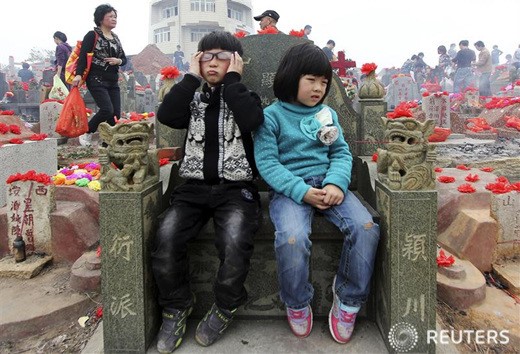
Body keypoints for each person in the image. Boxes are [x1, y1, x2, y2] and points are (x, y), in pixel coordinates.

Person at [254, 42, 380, 343]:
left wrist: (336, 183)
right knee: (292, 238)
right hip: (290, 191)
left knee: (366, 228)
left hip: (329, 186)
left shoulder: (327, 114)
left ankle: (348, 299)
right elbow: (267, 163)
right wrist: (301, 191)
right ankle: (297, 302)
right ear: (290, 77)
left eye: (323, 82)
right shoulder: (271, 117)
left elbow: (341, 153)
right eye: (310, 80)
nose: (318, 88)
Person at [151, 30, 264, 353]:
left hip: (236, 190)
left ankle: (226, 305)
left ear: (237, 63)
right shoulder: (193, 99)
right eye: (206, 56)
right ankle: (176, 306)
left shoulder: (246, 97)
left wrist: (232, 81)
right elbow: (167, 115)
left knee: (234, 240)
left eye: (222, 56)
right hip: (193, 190)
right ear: (197, 61)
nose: (213, 62)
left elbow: (251, 119)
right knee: (167, 236)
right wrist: (189, 77)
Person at [72, 4, 127, 147]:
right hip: (96, 79)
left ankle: (108, 144)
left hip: (113, 81)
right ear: (101, 19)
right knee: (106, 109)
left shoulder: (115, 38)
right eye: (110, 16)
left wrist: (118, 60)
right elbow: (84, 56)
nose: (114, 19)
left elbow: (124, 59)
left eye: (115, 17)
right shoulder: (92, 35)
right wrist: (78, 75)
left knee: (115, 115)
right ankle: (88, 132)